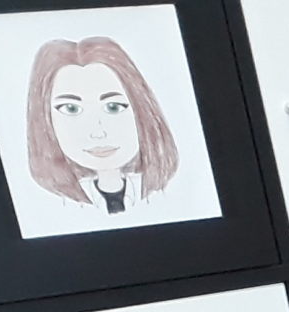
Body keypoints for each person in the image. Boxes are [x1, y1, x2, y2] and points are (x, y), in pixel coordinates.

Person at [22, 35, 180, 217]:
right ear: (44, 119)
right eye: (71, 109)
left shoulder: (161, 197)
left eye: (113, 107)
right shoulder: (55, 209)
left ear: (142, 110)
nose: (98, 132)